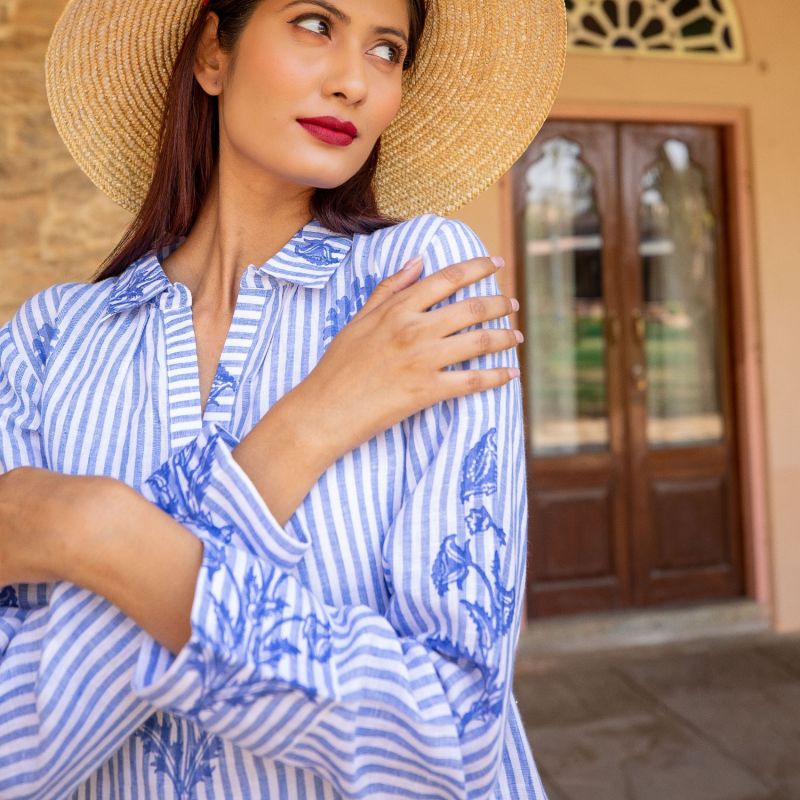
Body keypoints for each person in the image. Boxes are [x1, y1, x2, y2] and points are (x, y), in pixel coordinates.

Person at [0, 0, 565, 797]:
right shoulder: (49, 341)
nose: (353, 82)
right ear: (211, 54)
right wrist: (288, 449)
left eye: (387, 49)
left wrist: (100, 533)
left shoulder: (416, 285)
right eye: (314, 24)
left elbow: (451, 732)